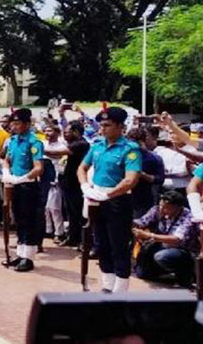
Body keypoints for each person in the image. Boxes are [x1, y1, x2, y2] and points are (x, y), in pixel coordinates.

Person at [77, 106, 141, 293]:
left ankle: (120, 289)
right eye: (101, 125)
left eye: (107, 125)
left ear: (120, 126)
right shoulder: (97, 146)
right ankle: (107, 284)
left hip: (117, 201)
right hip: (96, 199)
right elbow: (82, 167)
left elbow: (131, 179)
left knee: (118, 245)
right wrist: (85, 186)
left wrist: (108, 194)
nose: (102, 129)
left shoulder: (130, 149)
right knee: (100, 244)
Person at [133, 191, 196, 287]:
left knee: (162, 256)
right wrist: (130, 224)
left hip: (182, 250)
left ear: (177, 208)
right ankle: (161, 271)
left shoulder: (188, 217)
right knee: (142, 274)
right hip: (160, 245)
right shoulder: (157, 210)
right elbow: (142, 221)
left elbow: (177, 239)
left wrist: (150, 236)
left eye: (166, 207)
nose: (162, 209)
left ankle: (185, 273)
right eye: (161, 205)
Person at [56, 121, 90, 248]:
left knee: (79, 213)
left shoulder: (81, 144)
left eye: (68, 131)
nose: (65, 133)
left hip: (77, 184)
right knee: (70, 212)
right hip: (67, 183)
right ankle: (72, 237)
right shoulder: (72, 143)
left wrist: (39, 149)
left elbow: (59, 152)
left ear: (76, 132)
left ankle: (84, 241)